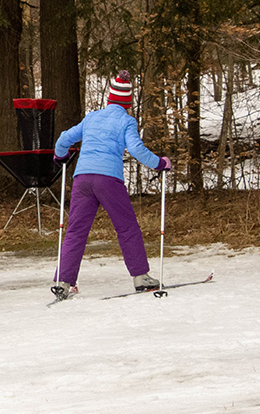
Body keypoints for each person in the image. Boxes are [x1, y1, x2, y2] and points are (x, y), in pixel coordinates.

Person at [51, 72, 172, 297]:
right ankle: (141, 277)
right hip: (108, 180)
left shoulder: (92, 117)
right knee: (126, 227)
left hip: (82, 179)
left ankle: (64, 282)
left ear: (109, 99)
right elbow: (136, 149)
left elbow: (64, 139)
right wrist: (160, 163)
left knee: (76, 230)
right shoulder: (127, 121)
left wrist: (60, 157)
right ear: (128, 103)